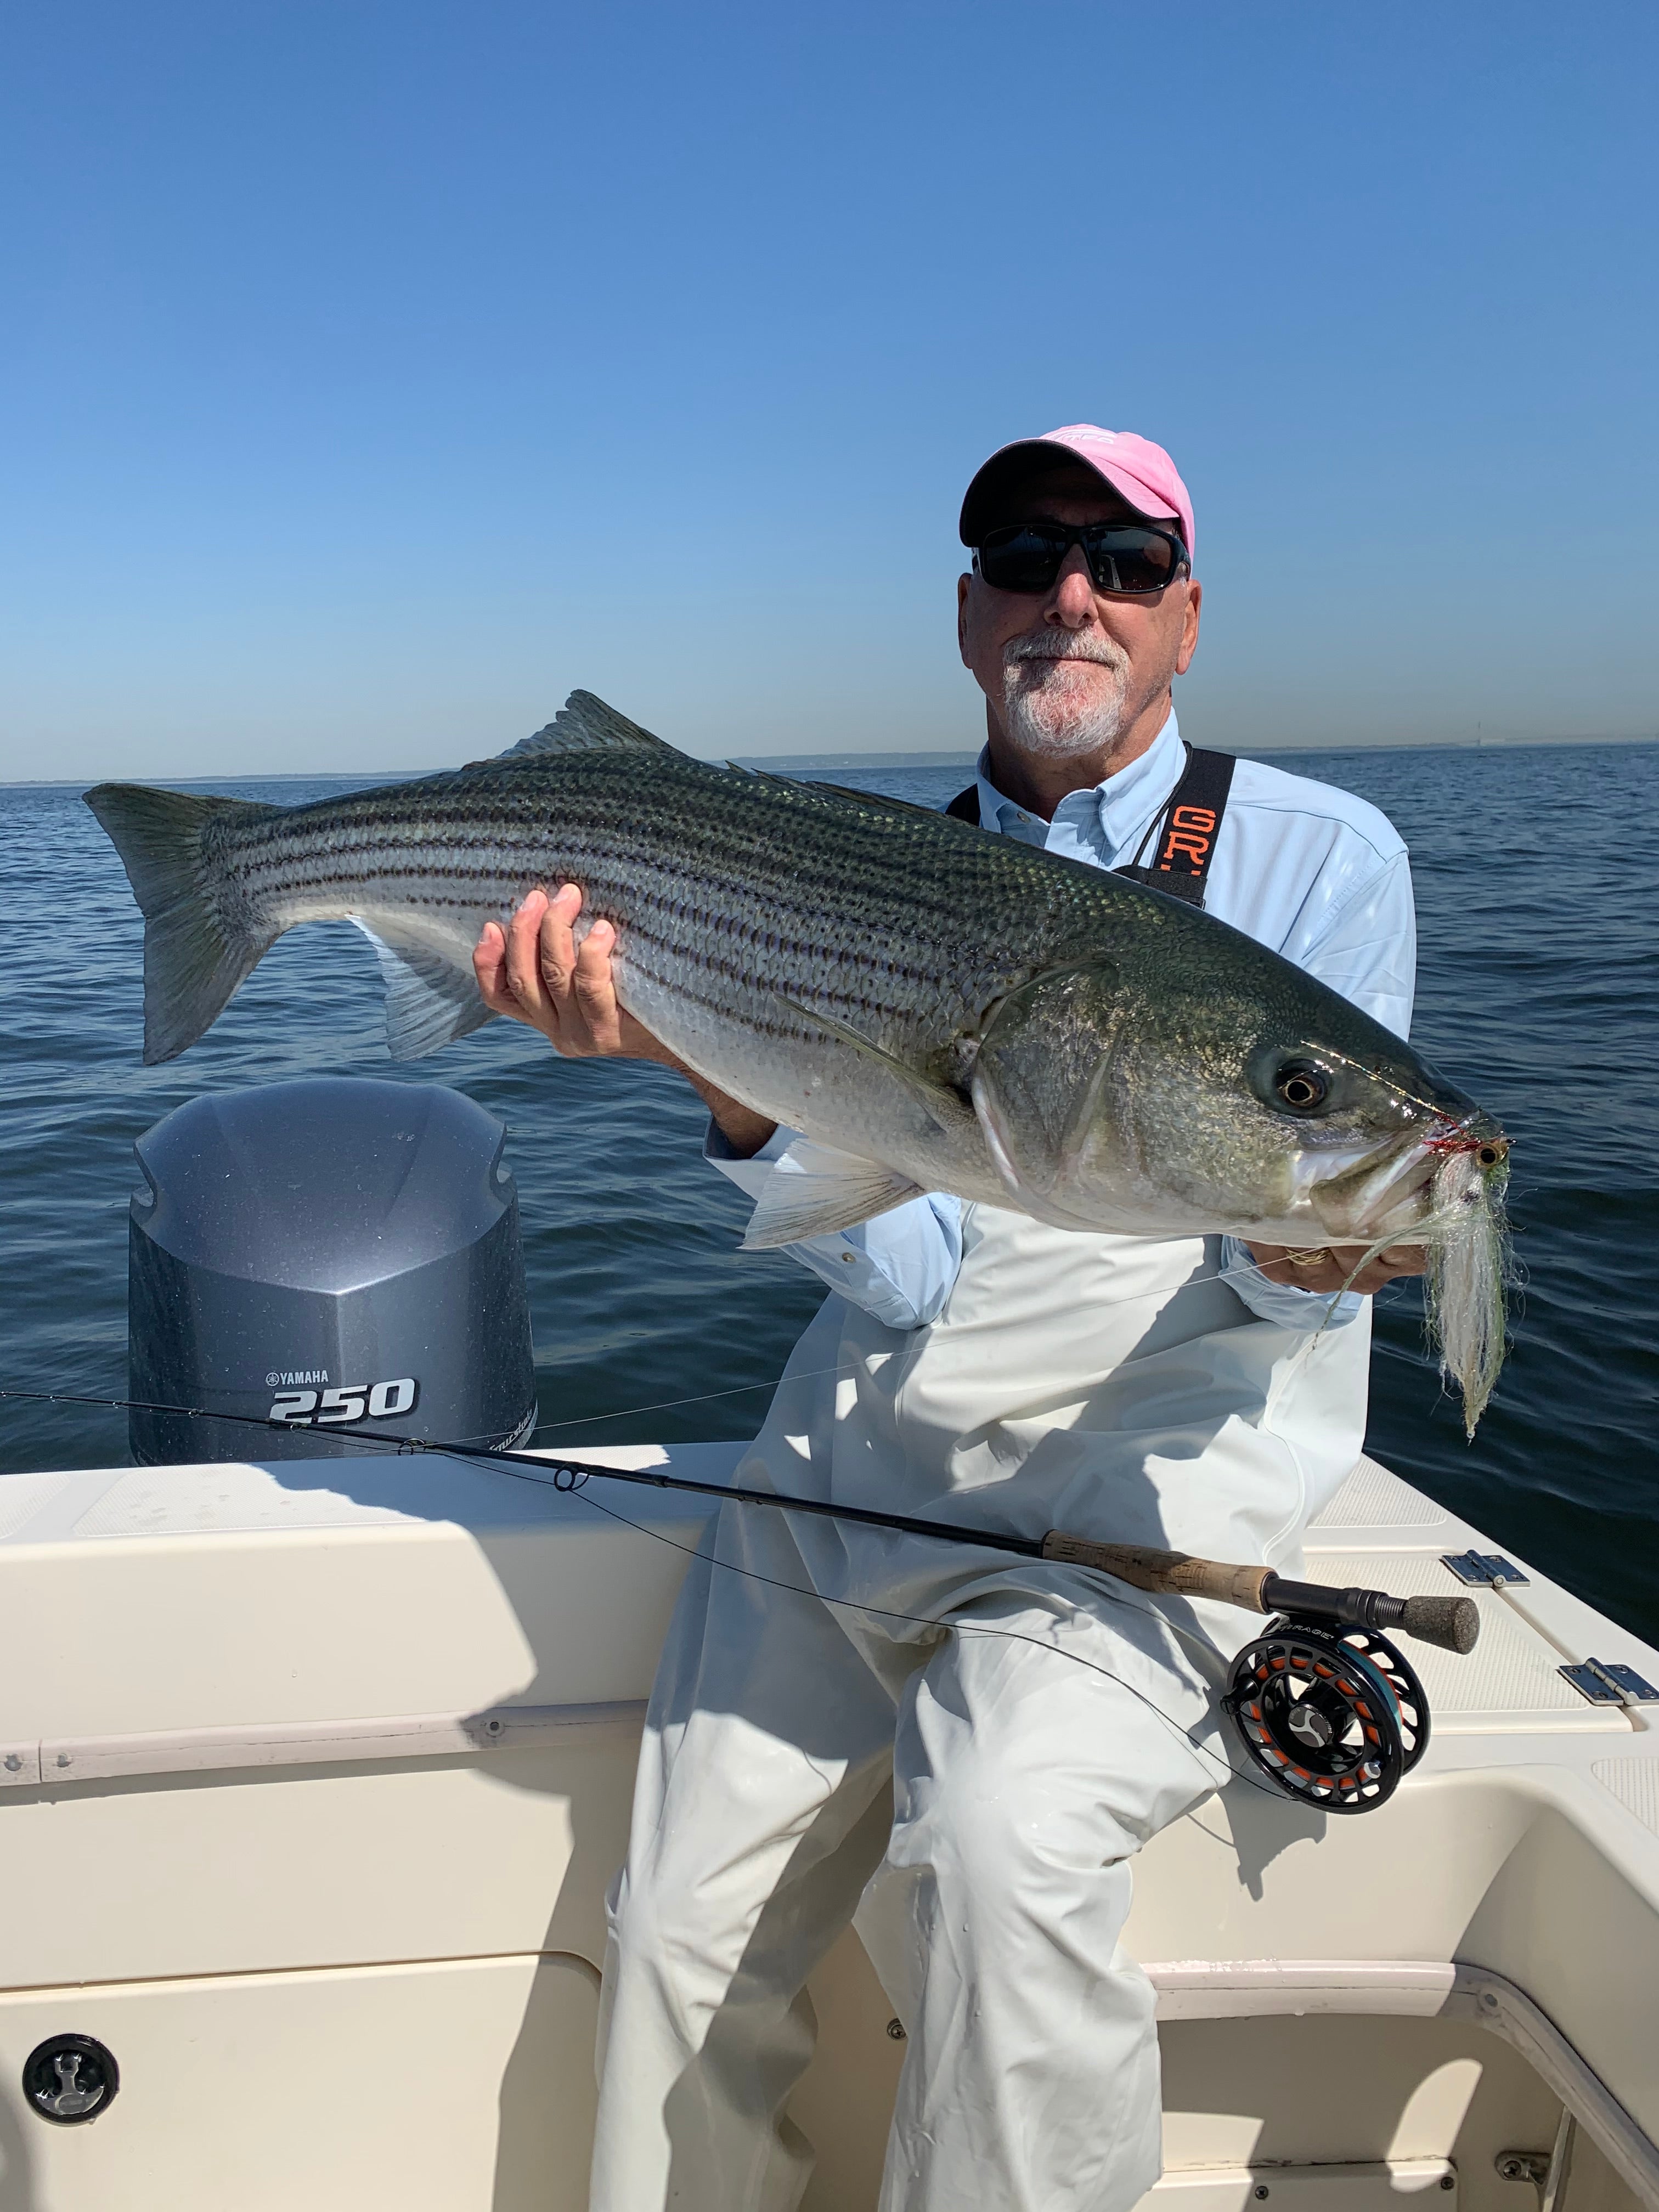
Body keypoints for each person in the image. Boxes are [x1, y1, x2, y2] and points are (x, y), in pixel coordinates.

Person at [473, 425, 1423, 2212]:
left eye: (1125, 563)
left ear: (1186, 616)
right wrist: (728, 1077)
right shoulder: (871, 874)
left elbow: (1281, 1239)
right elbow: (907, 1276)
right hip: (865, 1453)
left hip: (1147, 1488)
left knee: (996, 1847)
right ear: (971, 612)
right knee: (675, 1923)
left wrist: (1304, 1253)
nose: (1074, 593)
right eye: (1025, 554)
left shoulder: (1318, 856)